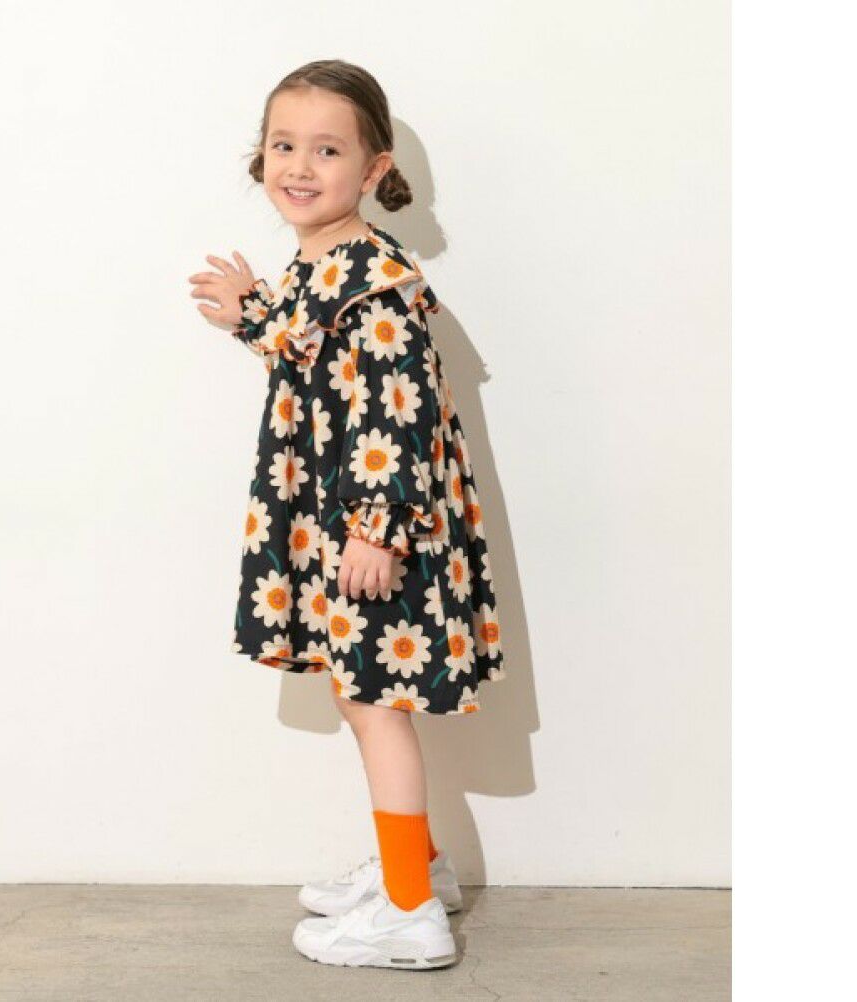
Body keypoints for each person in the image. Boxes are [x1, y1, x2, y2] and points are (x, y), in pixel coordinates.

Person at [187, 59, 506, 971]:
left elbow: (397, 412)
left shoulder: (375, 281)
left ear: (374, 169)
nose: (299, 165)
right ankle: (419, 867)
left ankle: (408, 914)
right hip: (340, 519)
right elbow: (314, 363)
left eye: (327, 150)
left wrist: (376, 529)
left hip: (373, 528)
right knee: (357, 689)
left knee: (374, 702)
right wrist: (253, 314)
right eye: (283, 144)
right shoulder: (327, 263)